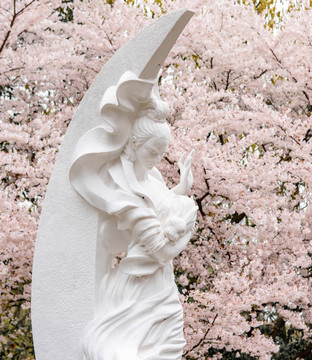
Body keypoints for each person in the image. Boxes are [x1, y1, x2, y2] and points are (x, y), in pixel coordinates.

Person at [69, 72, 196, 360]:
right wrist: (186, 220)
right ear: (135, 144)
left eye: (162, 152)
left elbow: (161, 202)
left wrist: (181, 189)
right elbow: (161, 249)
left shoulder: (152, 178)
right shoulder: (122, 194)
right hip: (137, 288)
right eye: (153, 150)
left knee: (171, 347)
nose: (157, 157)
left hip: (161, 285)